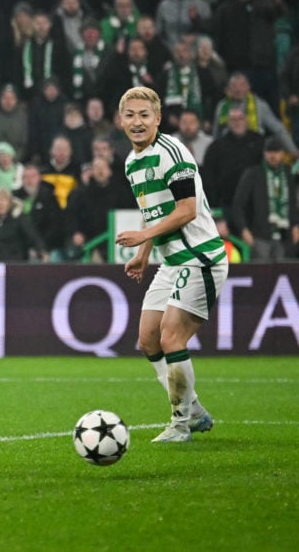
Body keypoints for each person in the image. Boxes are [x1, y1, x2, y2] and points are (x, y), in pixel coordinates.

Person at [115, 86, 226, 443]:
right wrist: (144, 253)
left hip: (199, 257)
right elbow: (154, 213)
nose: (137, 122)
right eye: (130, 115)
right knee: (148, 341)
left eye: (144, 115)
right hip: (171, 262)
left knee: (171, 336)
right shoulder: (132, 163)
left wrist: (140, 237)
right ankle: (193, 409)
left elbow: (186, 210)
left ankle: (181, 424)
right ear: (121, 120)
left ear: (158, 119)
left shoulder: (171, 151)